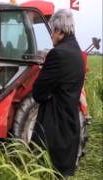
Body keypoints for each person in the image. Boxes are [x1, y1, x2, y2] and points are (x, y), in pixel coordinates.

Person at [31, 9, 84, 179]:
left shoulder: (58, 54)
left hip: (53, 135)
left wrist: (44, 73)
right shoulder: (76, 52)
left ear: (60, 32)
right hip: (69, 131)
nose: (51, 36)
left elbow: (38, 93)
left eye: (52, 31)